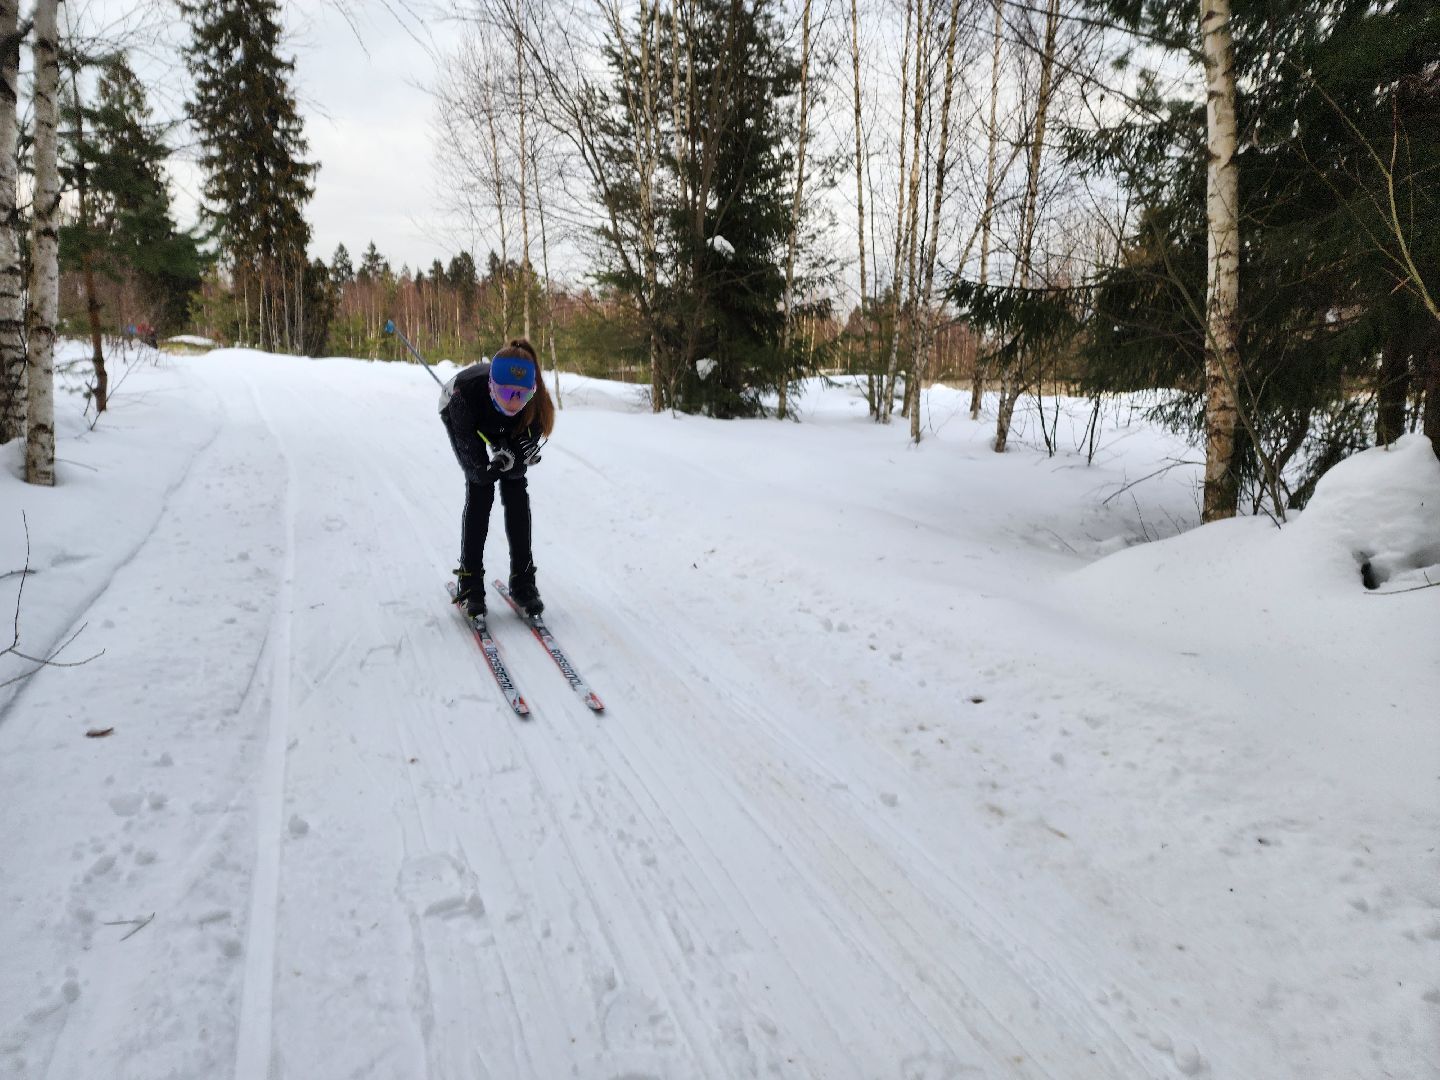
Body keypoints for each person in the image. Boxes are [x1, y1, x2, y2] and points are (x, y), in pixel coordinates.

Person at [439, 339, 555, 621]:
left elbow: (519, 456)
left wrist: (511, 455)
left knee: (516, 490)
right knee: (480, 490)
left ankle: (523, 580)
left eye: (522, 394)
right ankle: (470, 580)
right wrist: (485, 468)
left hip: (505, 426)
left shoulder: (534, 406)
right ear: (492, 385)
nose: (514, 401)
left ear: (533, 390)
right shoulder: (463, 398)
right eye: (505, 392)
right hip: (469, 415)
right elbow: (473, 458)